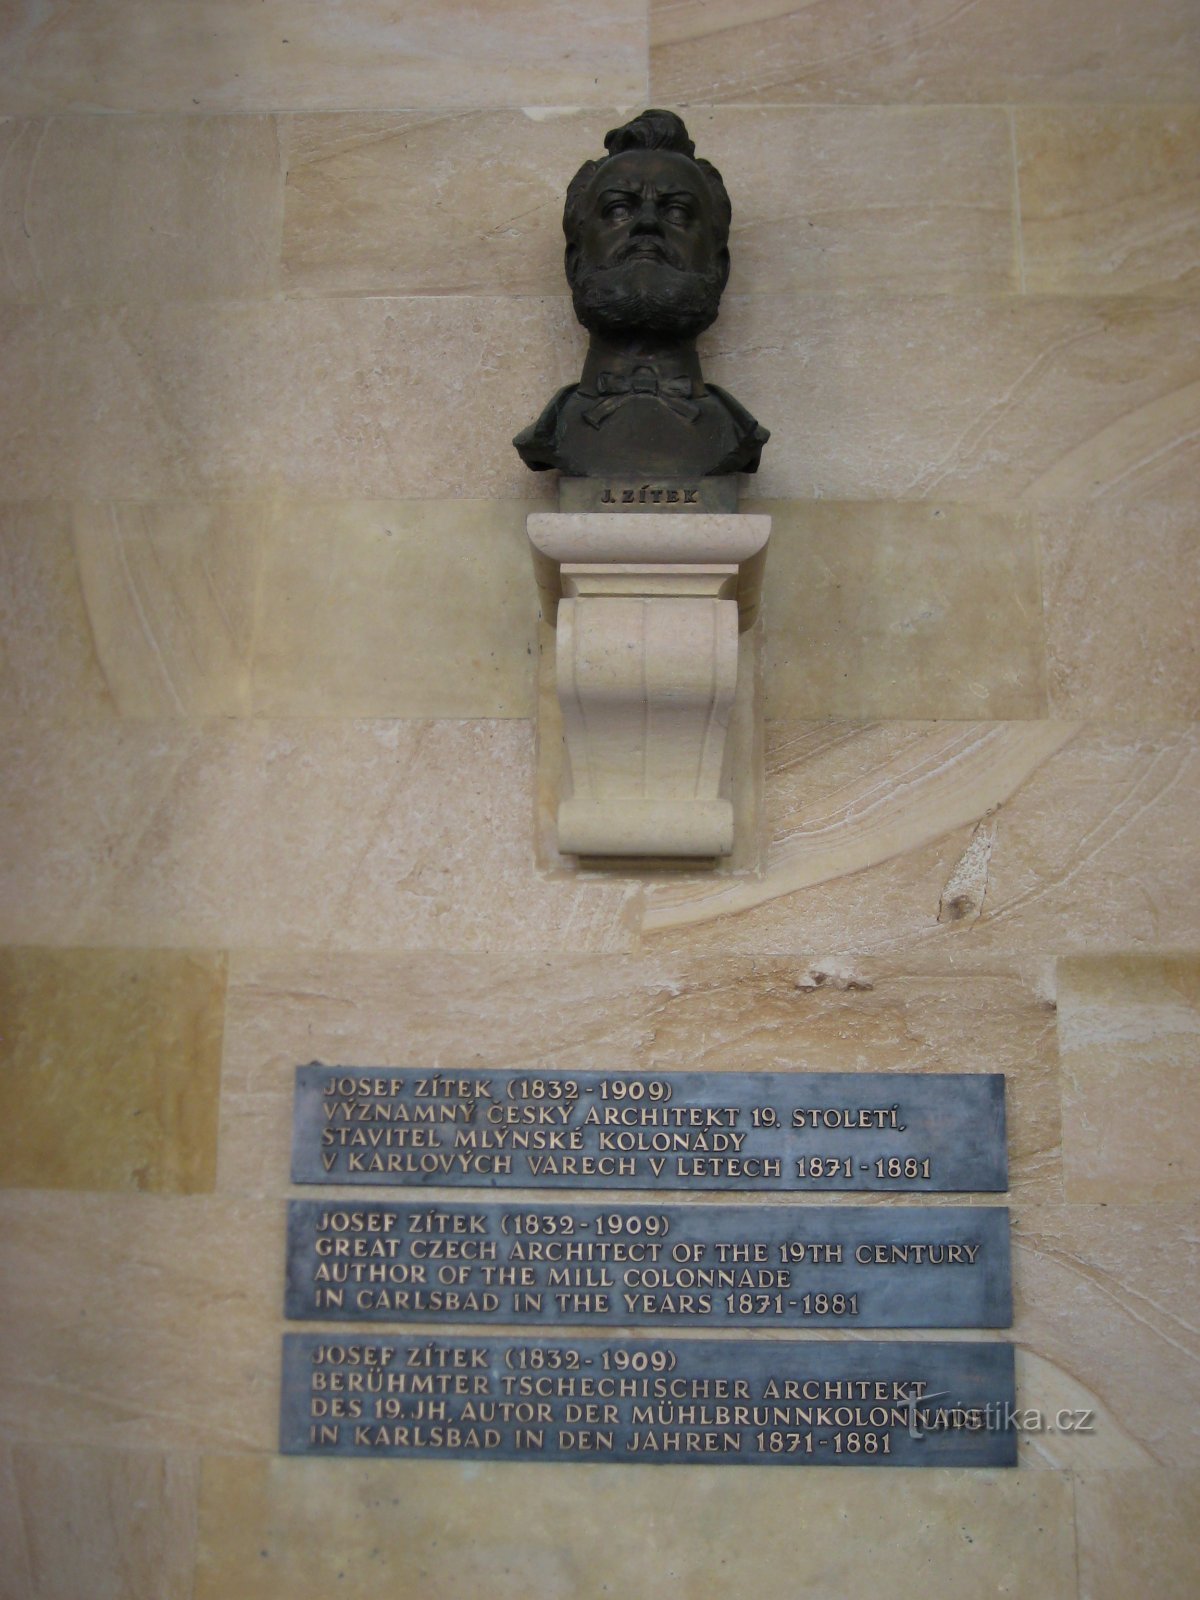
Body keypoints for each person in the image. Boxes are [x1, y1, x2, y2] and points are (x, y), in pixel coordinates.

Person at [514, 109, 769, 481]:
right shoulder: (550, 435)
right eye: (619, 208)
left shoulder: (737, 436)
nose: (647, 223)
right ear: (574, 263)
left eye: (677, 211)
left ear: (719, 267)